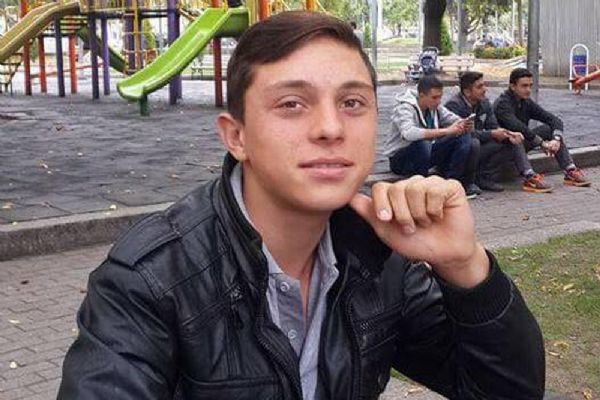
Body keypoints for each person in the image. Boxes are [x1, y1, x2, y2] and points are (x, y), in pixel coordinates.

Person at [58, 12, 544, 400]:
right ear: (236, 136)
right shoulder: (148, 280)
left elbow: (506, 391)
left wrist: (465, 266)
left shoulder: (379, 255)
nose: (330, 128)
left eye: (352, 103)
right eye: (292, 103)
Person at [494, 68, 591, 191]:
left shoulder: (525, 102)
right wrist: (541, 143)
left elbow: (553, 120)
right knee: (515, 136)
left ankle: (570, 170)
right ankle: (529, 177)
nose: (528, 90)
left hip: (519, 146)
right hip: (498, 150)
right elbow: (517, 127)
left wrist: (556, 139)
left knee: (548, 129)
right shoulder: (502, 104)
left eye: (530, 86)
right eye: (524, 86)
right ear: (512, 86)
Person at [384, 75, 479, 197]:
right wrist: (446, 131)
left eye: (440, 97)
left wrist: (463, 124)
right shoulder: (404, 107)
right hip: (401, 159)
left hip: (426, 153)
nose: (438, 101)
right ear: (422, 95)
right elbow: (409, 133)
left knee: (463, 135)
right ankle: (420, 189)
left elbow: (452, 119)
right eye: (434, 97)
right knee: (423, 144)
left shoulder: (435, 107)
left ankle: (452, 184)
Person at [445, 71, 528, 192]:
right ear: (467, 92)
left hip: (479, 144)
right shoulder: (454, 105)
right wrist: (492, 134)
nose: (485, 89)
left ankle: (485, 177)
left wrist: (508, 133)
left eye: (484, 85)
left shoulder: (484, 102)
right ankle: (467, 182)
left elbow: (493, 126)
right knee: (473, 143)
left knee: (510, 141)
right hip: (457, 151)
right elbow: (463, 134)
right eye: (479, 87)